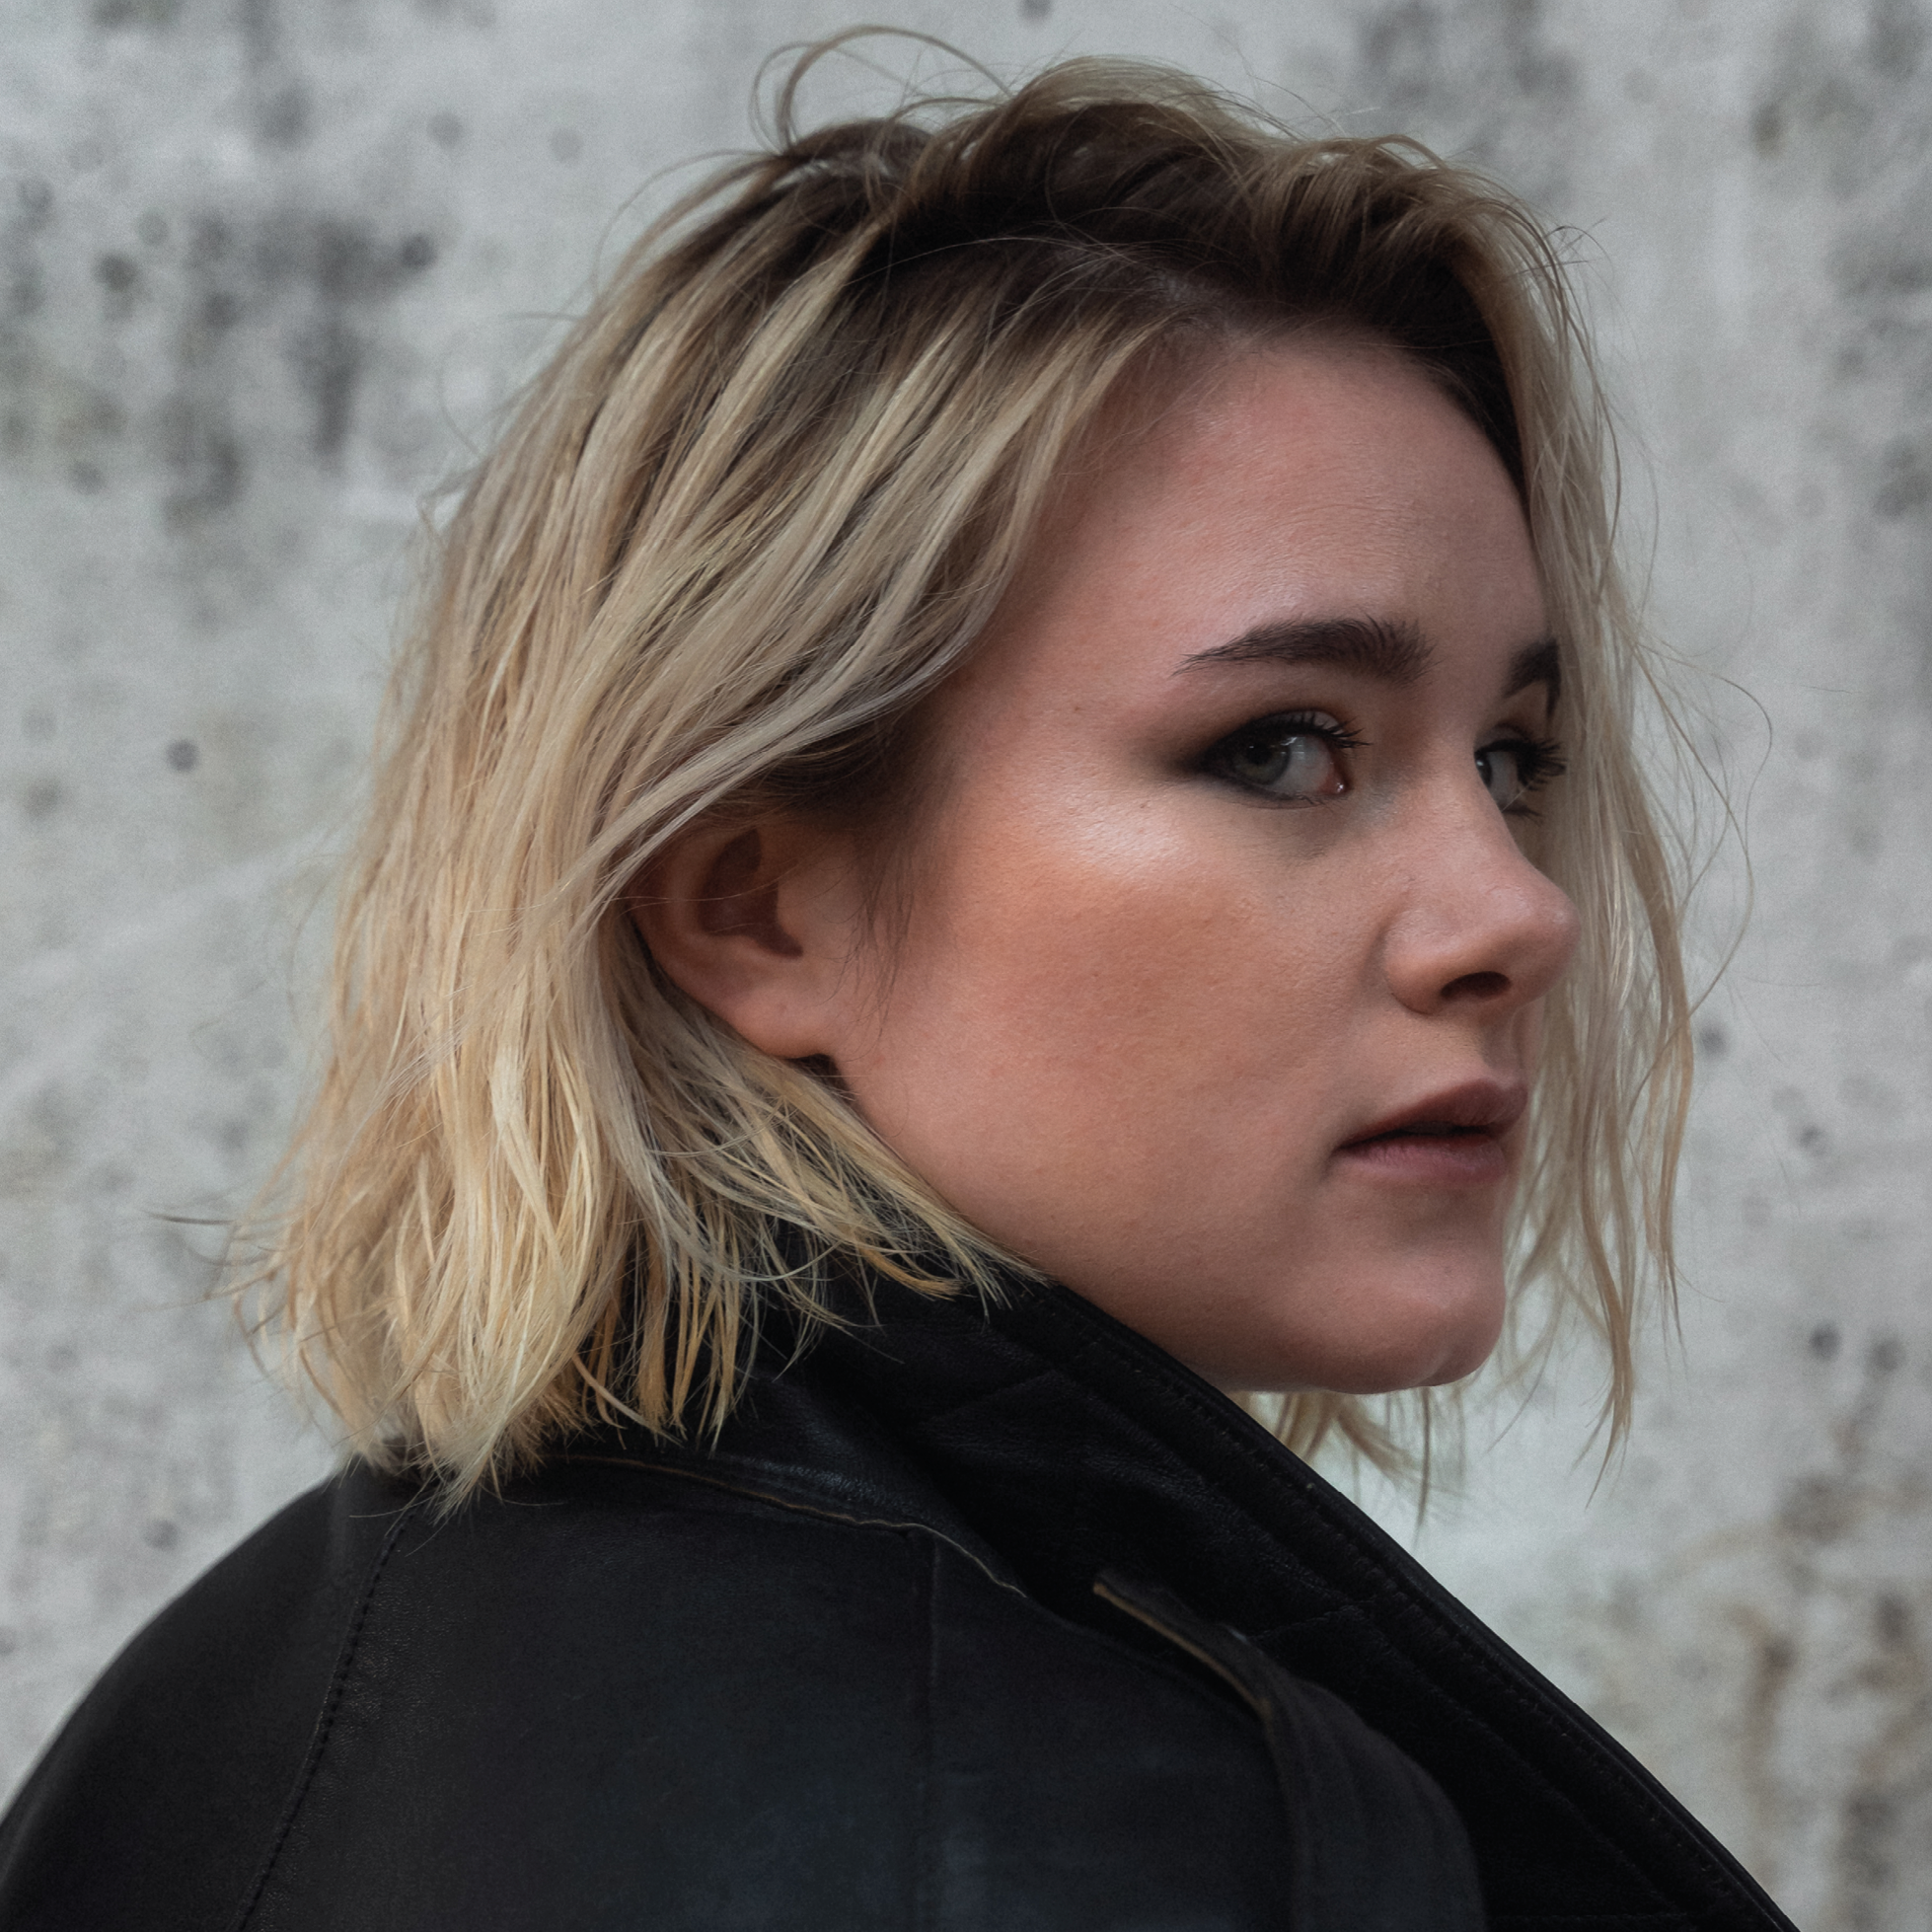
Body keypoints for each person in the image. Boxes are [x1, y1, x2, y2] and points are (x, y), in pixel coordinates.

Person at [0, 44, 1793, 1932]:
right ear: (758, 910)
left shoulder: (199, 1721)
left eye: (1510, 757)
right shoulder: (1107, 1841)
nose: (1516, 909)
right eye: (1281, 747)